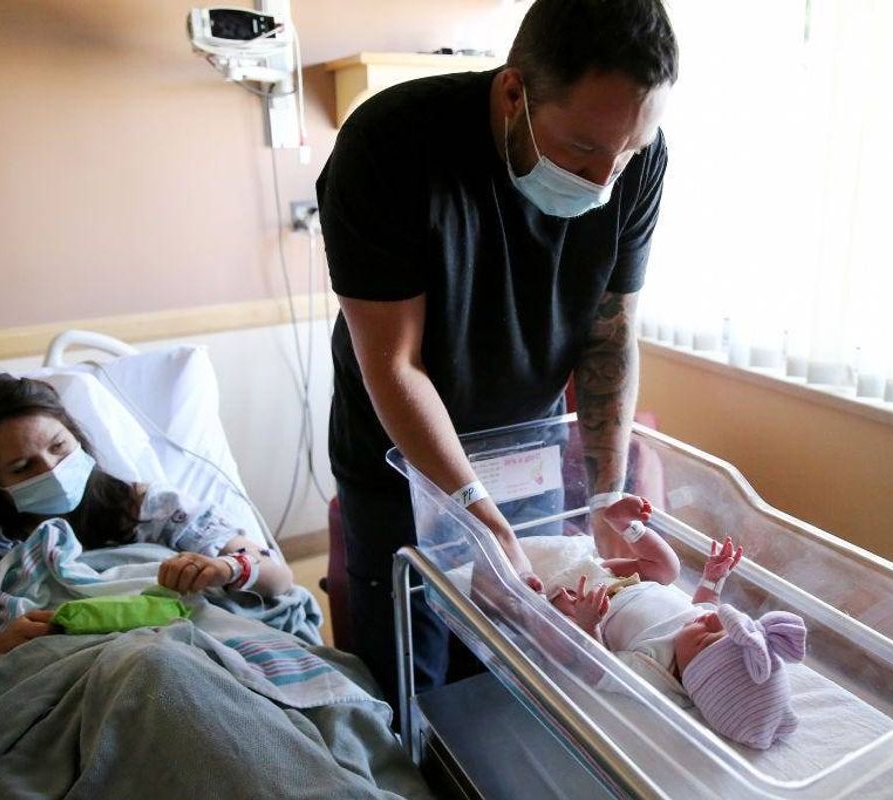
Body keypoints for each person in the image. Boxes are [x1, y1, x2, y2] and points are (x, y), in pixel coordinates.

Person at [316, 0, 679, 703]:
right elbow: (395, 363)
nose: (608, 181)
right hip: (403, 453)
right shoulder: (391, 145)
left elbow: (611, 334)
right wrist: (476, 518)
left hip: (525, 446)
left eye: (628, 152)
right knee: (411, 681)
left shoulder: (639, 154)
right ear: (515, 93)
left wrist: (605, 491)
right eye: (581, 151)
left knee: (520, 659)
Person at [0, 373, 294, 724]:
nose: (52, 469)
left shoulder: (145, 508)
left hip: (199, 665)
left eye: (59, 447)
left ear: (77, 438)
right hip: (75, 698)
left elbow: (278, 577)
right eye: (22, 467)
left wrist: (226, 568)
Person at [550, 496, 808, 750]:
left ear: (693, 675)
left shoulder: (658, 674)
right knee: (669, 569)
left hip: (585, 600)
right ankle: (627, 525)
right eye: (721, 625)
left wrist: (588, 624)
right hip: (624, 577)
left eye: (706, 636)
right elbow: (706, 604)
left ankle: (532, 595)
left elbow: (600, 669)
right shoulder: (699, 625)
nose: (711, 618)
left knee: (562, 642)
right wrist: (713, 579)